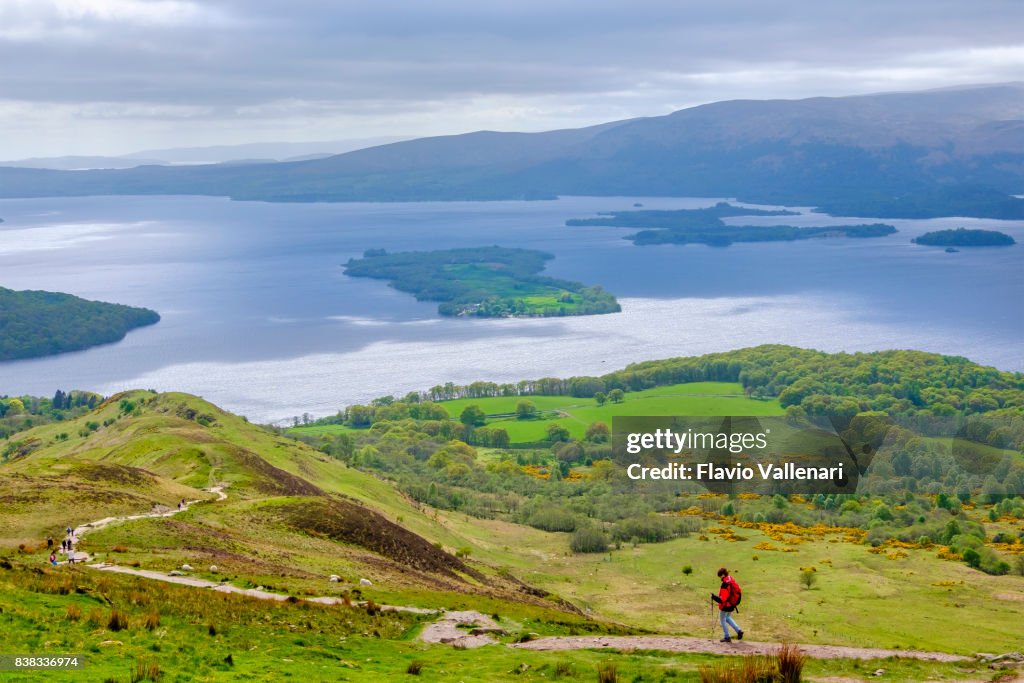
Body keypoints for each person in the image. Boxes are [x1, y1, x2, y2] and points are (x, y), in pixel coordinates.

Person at [711, 567, 743, 643]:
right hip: (733, 604)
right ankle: (739, 631)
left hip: (727, 605)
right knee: (727, 618)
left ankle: (727, 637)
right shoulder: (731, 579)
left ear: (722, 575)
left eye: (720, 576)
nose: (720, 578)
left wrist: (714, 597)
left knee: (722, 620)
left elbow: (723, 599)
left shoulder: (725, 584)